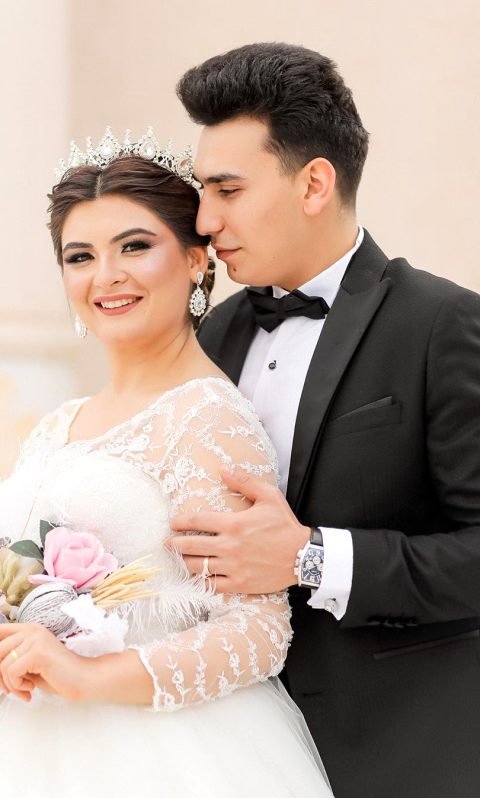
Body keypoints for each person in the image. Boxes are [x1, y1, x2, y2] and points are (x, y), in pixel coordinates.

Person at [0, 132, 333, 797]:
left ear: (195, 260)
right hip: (1, 744)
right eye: (81, 256)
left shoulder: (207, 419)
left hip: (152, 755)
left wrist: (90, 675)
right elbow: (2, 598)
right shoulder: (57, 424)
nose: (106, 276)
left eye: (134, 246)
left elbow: (258, 630)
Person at [167, 42, 480, 798]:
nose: (205, 219)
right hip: (228, 750)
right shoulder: (213, 333)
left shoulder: (442, 324)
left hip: (396, 755)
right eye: (203, 190)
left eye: (228, 189)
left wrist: (313, 558)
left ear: (314, 183)